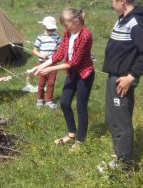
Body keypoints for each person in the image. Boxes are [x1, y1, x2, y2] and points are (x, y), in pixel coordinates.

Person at [101, 0, 143, 168]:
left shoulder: (135, 23)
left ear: (121, 0)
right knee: (112, 116)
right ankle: (119, 153)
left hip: (123, 80)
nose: (111, 3)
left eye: (112, 0)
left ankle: (125, 163)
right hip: (114, 77)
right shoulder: (123, 18)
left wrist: (130, 77)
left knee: (121, 120)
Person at [29, 8, 94, 147]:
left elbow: (73, 62)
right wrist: (40, 67)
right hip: (72, 73)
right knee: (64, 102)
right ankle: (71, 134)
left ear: (75, 21)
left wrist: (50, 68)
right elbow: (59, 54)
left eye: (66, 24)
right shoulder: (67, 33)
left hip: (84, 74)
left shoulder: (85, 36)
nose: (65, 28)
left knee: (81, 106)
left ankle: (80, 140)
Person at [32, 16, 61, 110]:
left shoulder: (57, 37)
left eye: (53, 29)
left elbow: (61, 49)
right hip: (42, 64)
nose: (51, 30)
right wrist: (40, 55)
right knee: (41, 83)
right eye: (50, 29)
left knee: (51, 83)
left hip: (52, 64)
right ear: (44, 26)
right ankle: (40, 100)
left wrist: (56, 54)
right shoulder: (40, 38)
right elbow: (34, 50)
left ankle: (49, 101)